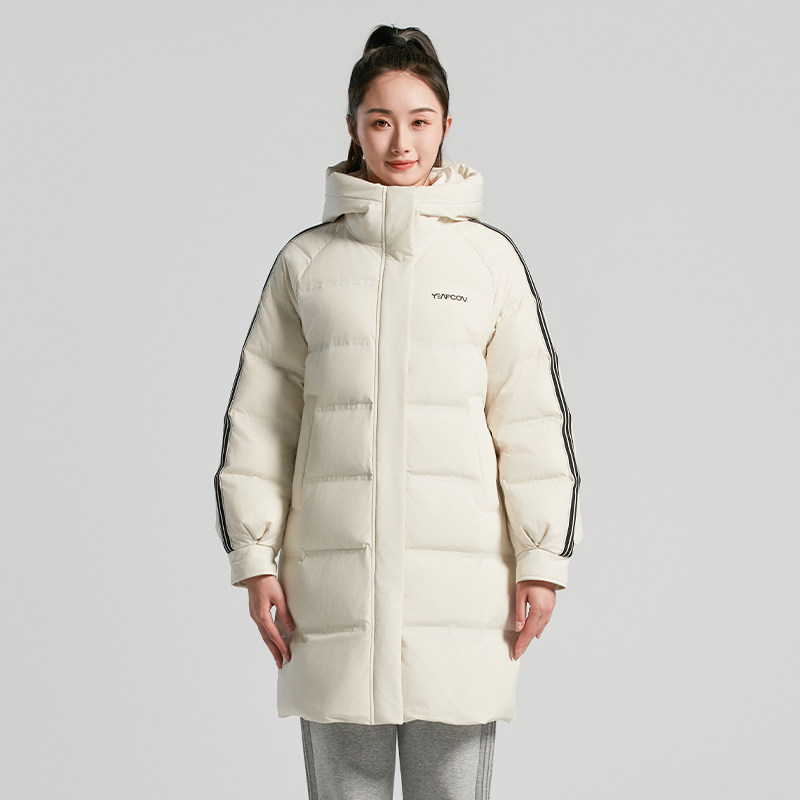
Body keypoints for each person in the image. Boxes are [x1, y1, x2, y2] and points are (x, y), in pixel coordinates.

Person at [213, 23, 584, 800]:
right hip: (332, 600)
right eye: (380, 121)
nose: (401, 142)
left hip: (464, 601)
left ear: (447, 125)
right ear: (352, 127)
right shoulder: (307, 264)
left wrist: (541, 560)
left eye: (419, 120)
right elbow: (262, 422)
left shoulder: (488, 262)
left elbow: (530, 422)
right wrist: (255, 555)